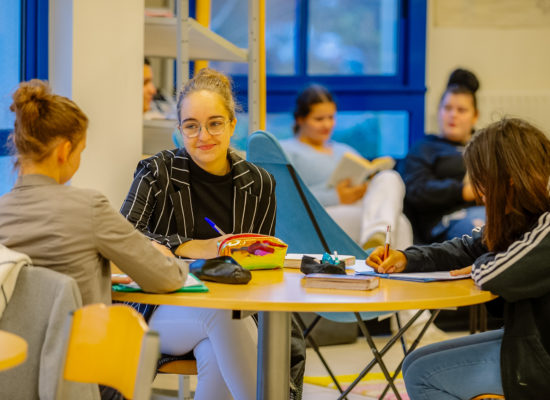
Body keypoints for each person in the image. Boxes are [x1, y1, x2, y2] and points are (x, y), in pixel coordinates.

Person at [121, 68, 305, 400]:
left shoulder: (259, 182)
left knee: (216, 354)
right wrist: (194, 247)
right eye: (191, 125)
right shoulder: (156, 171)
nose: (203, 135)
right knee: (221, 313)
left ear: (233, 125)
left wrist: (254, 256)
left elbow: (263, 261)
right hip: (158, 310)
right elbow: (123, 240)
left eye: (215, 123)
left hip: (234, 311)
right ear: (179, 130)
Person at [0, 79, 188, 399]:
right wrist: (170, 258)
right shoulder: (88, 206)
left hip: (12, 377)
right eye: (81, 151)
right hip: (80, 377)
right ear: (64, 151)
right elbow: (163, 278)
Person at [367, 117, 550, 399]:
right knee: (414, 362)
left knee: (422, 374)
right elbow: (470, 247)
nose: (480, 196)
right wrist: (406, 257)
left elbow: (493, 273)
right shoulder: (525, 215)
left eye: (484, 185)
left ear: (509, 181)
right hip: (532, 337)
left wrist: (479, 263)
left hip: (542, 358)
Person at [281, 84, 413, 250]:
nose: (327, 125)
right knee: (400, 223)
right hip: (323, 212)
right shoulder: (287, 150)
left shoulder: (344, 150)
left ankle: (376, 237)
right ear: (300, 119)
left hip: (359, 205)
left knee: (389, 176)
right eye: (319, 119)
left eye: (331, 117)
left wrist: (366, 185)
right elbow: (288, 198)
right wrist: (336, 196)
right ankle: (381, 246)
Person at [401, 68, 485, 243]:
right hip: (448, 221)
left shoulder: (485, 146)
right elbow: (416, 190)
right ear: (439, 111)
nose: (453, 115)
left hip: (494, 211)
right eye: (447, 108)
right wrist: (463, 191)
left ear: (475, 116)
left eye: (461, 110)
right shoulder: (424, 147)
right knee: (484, 232)